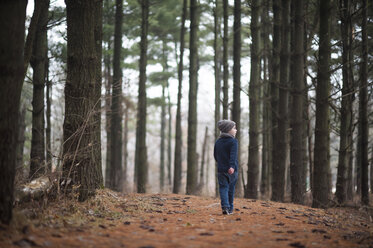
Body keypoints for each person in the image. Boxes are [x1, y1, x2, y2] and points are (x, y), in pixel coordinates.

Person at [214, 119, 238, 215]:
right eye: (234, 128)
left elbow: (215, 155)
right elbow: (233, 155)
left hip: (221, 169)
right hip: (232, 170)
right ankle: (230, 208)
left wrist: (220, 163)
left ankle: (225, 207)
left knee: (223, 188)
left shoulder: (218, 141)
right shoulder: (233, 141)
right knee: (231, 189)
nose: (236, 130)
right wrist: (232, 166)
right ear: (228, 130)